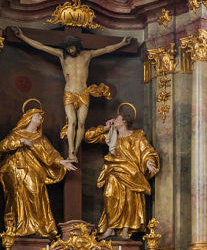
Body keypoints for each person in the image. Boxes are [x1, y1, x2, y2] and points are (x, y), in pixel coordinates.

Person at [12, 28, 131, 161]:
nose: (70, 51)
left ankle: (76, 148)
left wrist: (121, 44)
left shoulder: (87, 55)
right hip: (69, 92)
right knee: (72, 122)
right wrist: (22, 37)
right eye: (68, 48)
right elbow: (41, 47)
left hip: (84, 92)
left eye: (72, 48)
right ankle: (71, 151)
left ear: (77, 46)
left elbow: (106, 49)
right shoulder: (62, 55)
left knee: (81, 123)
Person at [0, 102, 77, 238]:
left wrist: (61, 161)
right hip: (16, 171)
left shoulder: (40, 139)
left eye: (41, 117)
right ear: (29, 118)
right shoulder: (17, 134)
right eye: (38, 116)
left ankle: (37, 226)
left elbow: (50, 153)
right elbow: (2, 146)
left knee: (36, 193)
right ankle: (21, 226)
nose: (40, 119)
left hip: (34, 171)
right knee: (18, 198)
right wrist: (20, 141)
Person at [85, 107, 159, 239]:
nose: (114, 120)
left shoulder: (136, 135)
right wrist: (105, 128)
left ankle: (126, 228)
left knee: (130, 200)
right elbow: (88, 137)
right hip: (113, 171)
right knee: (109, 196)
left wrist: (148, 162)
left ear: (124, 121)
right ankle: (111, 228)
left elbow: (146, 150)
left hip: (131, 173)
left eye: (117, 119)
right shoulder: (111, 136)